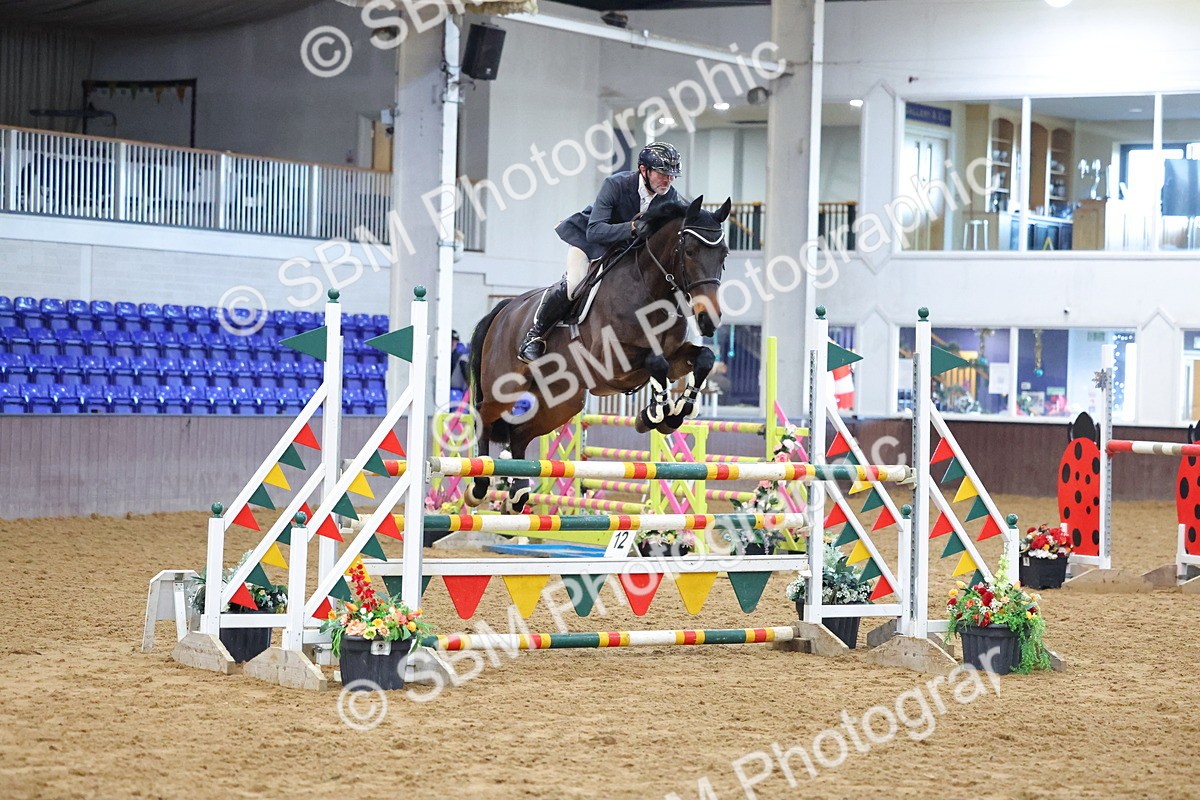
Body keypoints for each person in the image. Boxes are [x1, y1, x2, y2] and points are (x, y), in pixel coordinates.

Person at [516, 141, 685, 363]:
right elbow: (595, 230)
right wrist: (632, 228)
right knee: (574, 285)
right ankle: (534, 335)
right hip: (590, 243)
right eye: (663, 174)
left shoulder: (669, 196)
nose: (669, 180)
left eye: (672, 175)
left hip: (626, 253)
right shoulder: (616, 184)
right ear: (644, 170)